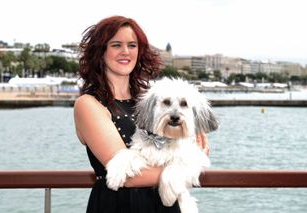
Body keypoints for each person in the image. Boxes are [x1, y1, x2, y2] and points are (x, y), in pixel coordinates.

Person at [74, 15, 210, 213]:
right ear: (100, 51)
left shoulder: (151, 100)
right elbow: (125, 176)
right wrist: (183, 170)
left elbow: (186, 146)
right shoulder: (88, 104)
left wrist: (192, 155)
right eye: (116, 45)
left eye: (132, 45)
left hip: (167, 204)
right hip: (118, 205)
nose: (126, 52)